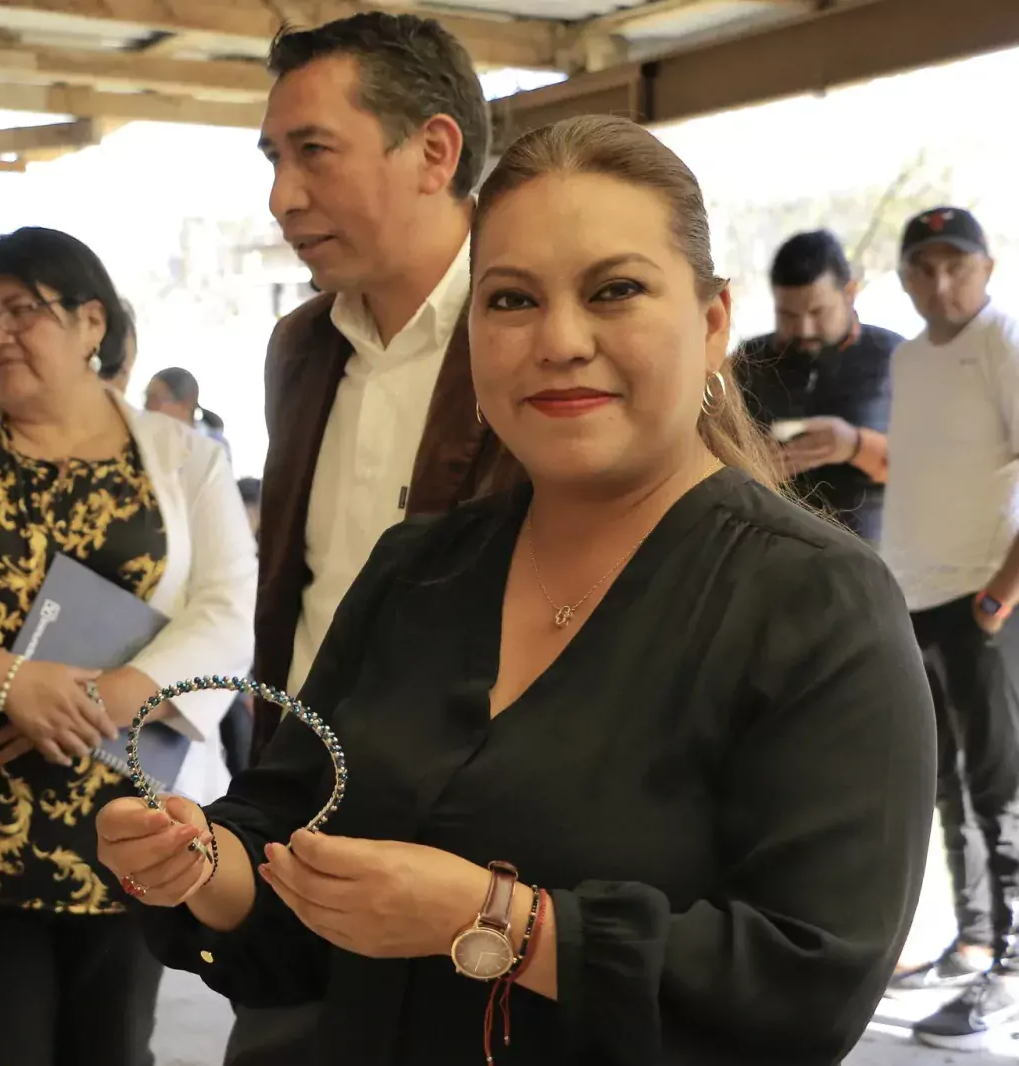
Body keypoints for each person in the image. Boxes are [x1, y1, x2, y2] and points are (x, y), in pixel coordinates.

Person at [98, 114, 936, 1066]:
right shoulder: (418, 570)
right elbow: (290, 839)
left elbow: (810, 981)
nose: (560, 340)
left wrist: (494, 918)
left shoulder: (815, 604)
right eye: (512, 301)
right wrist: (206, 865)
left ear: (712, 325)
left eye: (615, 290)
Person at [0, 226, 256, 1066]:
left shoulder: (185, 461)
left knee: (112, 1049)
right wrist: (10, 683)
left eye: (20, 311)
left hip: (133, 819)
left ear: (91, 322)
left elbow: (226, 609)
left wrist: (112, 696)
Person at [236, 14, 499, 1060]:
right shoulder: (301, 346)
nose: (281, 196)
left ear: (434, 150)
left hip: (474, 865)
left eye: (312, 151)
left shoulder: (528, 334)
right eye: (272, 156)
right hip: (302, 829)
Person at [878, 207, 1019, 1049]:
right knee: (947, 783)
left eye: (955, 266)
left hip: (982, 598)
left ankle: (1010, 970)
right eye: (924, 268)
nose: (940, 283)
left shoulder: (1001, 341)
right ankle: (972, 942)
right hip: (915, 594)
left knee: (1003, 791)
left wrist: (1002, 594)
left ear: (988, 266)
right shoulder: (906, 355)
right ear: (903, 277)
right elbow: (926, 464)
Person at [735, 230, 897, 542]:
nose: (803, 328)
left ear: (850, 292)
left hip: (870, 562)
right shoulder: (747, 362)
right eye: (788, 315)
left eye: (817, 312)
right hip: (767, 553)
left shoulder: (898, 359)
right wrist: (748, 464)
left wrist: (855, 446)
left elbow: (937, 473)